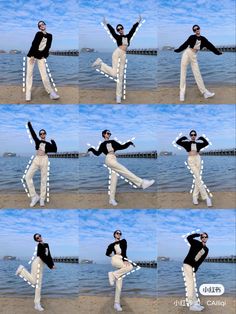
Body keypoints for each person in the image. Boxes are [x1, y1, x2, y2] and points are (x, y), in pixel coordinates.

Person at [87, 129, 155, 206]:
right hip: (109, 159)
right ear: (104, 134)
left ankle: (111, 199)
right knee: (124, 170)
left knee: (114, 180)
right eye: (108, 133)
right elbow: (97, 153)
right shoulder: (102, 145)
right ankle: (142, 183)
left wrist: (129, 143)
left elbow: (122, 146)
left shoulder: (112, 142)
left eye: (110, 133)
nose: (109, 134)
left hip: (114, 158)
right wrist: (91, 149)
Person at [92, 16, 142, 104]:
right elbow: (111, 30)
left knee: (120, 77)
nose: (120, 30)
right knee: (115, 74)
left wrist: (138, 21)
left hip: (123, 56)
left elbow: (133, 29)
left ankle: (118, 96)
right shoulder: (117, 37)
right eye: (118, 29)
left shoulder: (128, 36)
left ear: (123, 28)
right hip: (117, 53)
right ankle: (101, 64)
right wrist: (106, 23)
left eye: (121, 28)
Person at [174, 25, 222, 101]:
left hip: (194, 55)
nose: (196, 30)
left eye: (197, 28)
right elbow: (185, 44)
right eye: (194, 29)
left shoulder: (203, 39)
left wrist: (217, 52)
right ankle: (182, 92)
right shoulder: (191, 37)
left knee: (197, 74)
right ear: (193, 31)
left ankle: (205, 93)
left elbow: (210, 46)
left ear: (200, 29)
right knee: (183, 73)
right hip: (187, 53)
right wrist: (178, 50)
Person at [15, 233, 56, 312]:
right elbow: (42, 256)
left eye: (39, 236)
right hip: (37, 264)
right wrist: (50, 265)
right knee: (38, 284)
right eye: (37, 238)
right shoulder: (39, 246)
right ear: (36, 240)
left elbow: (49, 255)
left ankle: (36, 303)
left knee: (36, 283)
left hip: (40, 265)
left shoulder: (46, 244)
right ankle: (37, 304)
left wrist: (52, 264)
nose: (39, 238)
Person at [176, 130, 212, 207]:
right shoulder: (186, 143)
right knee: (198, 178)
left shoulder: (198, 144)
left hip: (198, 159)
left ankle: (194, 197)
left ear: (196, 136)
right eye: (191, 135)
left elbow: (206, 143)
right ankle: (206, 198)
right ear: (190, 136)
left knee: (197, 179)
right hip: (191, 160)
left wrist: (202, 138)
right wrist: (184, 137)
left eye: (194, 135)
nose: (193, 136)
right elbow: (178, 142)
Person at [26, 20, 60, 101]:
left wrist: (44, 56)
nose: (41, 26)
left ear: (45, 25)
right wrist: (32, 56)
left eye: (43, 24)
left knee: (44, 75)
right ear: (39, 27)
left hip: (41, 57)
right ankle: (28, 93)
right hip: (32, 56)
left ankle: (51, 93)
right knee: (29, 74)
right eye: (40, 25)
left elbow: (48, 47)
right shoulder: (38, 33)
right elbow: (34, 44)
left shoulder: (50, 36)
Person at [25, 121, 57, 207]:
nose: (42, 134)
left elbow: (55, 150)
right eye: (41, 133)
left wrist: (53, 141)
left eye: (44, 133)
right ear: (40, 135)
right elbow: (33, 134)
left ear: (45, 134)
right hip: (36, 159)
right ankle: (34, 196)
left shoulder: (48, 144)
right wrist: (29, 124)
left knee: (43, 179)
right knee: (27, 177)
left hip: (44, 160)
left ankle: (42, 198)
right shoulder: (37, 141)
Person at [106, 230, 133, 312]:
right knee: (130, 267)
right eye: (117, 233)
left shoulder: (123, 241)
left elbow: (124, 251)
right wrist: (113, 255)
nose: (119, 234)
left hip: (122, 259)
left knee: (119, 284)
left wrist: (125, 259)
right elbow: (107, 253)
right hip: (115, 259)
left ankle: (116, 303)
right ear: (114, 234)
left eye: (120, 233)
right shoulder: (111, 245)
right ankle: (112, 274)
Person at [183, 232, 209, 312]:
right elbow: (188, 238)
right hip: (187, 264)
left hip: (193, 267)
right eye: (203, 237)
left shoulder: (206, 249)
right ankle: (191, 305)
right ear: (201, 238)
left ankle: (195, 303)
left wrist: (196, 268)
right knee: (190, 284)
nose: (204, 238)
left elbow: (201, 260)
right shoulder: (195, 242)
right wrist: (198, 234)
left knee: (192, 285)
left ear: (207, 238)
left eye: (206, 237)